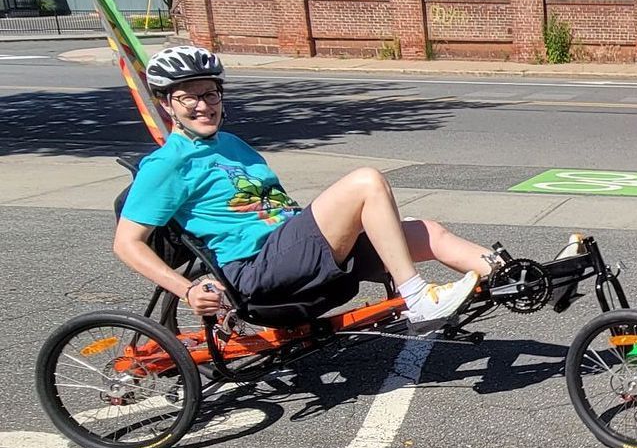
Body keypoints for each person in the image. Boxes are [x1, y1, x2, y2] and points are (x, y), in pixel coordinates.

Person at [114, 45, 489, 331]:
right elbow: (126, 243)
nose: (203, 105)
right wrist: (186, 290)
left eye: (210, 94)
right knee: (366, 182)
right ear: (166, 104)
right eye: (188, 97)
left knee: (428, 232)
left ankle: (525, 278)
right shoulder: (167, 164)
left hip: (289, 249)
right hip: (257, 268)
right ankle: (418, 299)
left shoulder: (231, 144)